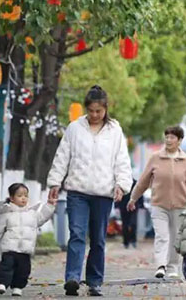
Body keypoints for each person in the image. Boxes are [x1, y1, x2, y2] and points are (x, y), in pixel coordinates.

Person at [47, 85, 133, 297]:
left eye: (99, 111)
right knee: (77, 234)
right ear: (86, 109)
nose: (95, 115)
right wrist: (55, 182)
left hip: (103, 193)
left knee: (98, 239)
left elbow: (122, 160)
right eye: (91, 110)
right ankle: (72, 278)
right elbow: (62, 156)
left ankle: (94, 282)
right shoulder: (74, 128)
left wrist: (122, 185)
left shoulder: (115, 131)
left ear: (106, 109)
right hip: (77, 191)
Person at [127, 125, 186, 279]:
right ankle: (160, 265)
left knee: (176, 238)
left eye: (172, 137)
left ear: (179, 140)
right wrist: (133, 198)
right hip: (159, 205)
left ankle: (172, 267)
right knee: (162, 236)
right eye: (166, 137)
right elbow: (143, 181)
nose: (168, 140)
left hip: (180, 206)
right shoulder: (156, 158)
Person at [0, 183, 56, 296]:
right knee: (6, 266)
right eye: (19, 195)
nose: (23, 198)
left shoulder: (32, 214)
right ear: (12, 198)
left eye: (25, 195)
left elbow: (43, 217)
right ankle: (1, 284)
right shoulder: (7, 213)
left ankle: (18, 287)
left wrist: (50, 205)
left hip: (25, 250)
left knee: (23, 270)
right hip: (9, 248)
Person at [116, 179, 144, 249]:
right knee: (125, 224)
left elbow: (140, 192)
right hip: (123, 206)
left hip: (134, 206)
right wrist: (117, 205)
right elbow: (118, 193)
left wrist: (141, 204)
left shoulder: (135, 183)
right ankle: (126, 242)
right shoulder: (122, 182)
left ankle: (133, 240)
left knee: (133, 223)